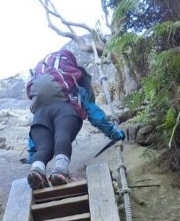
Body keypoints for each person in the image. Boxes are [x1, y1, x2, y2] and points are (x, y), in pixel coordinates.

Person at [24, 49, 125, 188]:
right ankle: (60, 171)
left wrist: (31, 157)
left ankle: (36, 170)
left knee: (43, 147)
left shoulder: (39, 97)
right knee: (62, 135)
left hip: (40, 116)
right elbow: (95, 116)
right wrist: (114, 133)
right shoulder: (76, 87)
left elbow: (33, 136)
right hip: (67, 111)